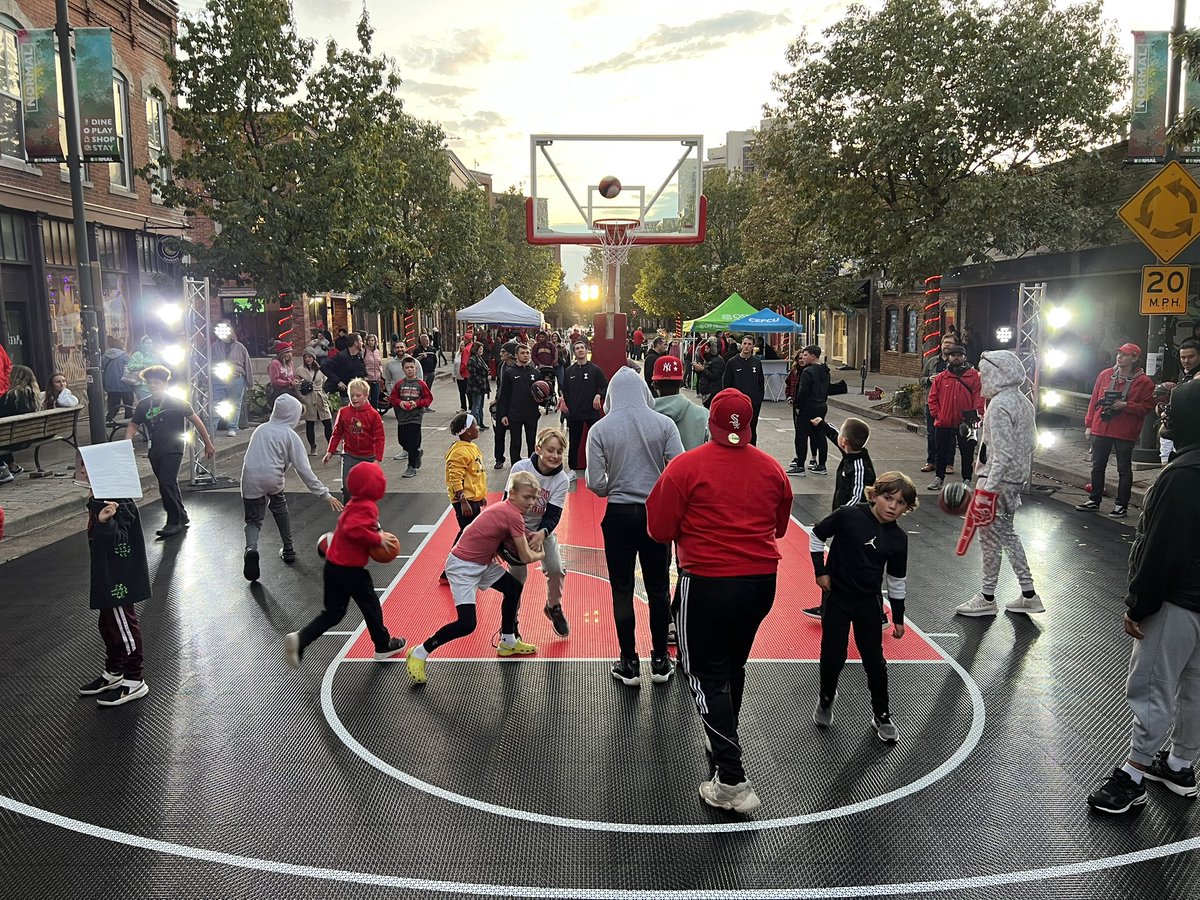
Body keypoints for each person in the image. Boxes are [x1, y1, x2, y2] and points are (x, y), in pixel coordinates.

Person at [646, 388, 792, 813]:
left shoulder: (684, 468)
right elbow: (780, 528)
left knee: (701, 672)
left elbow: (658, 529)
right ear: (750, 424)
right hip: (760, 580)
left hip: (707, 580)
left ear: (710, 420)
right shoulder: (772, 470)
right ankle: (722, 742)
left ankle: (731, 776)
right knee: (731, 667)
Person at [1086, 378, 1200, 814]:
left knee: (1152, 683)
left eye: (1174, 407)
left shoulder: (1185, 475)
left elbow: (1163, 550)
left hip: (1177, 600)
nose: (1164, 413)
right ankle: (1180, 763)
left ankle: (1133, 775)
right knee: (1194, 686)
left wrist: (1140, 603)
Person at [586, 367, 684, 686]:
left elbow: (594, 482)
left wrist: (614, 486)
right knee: (658, 589)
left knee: (622, 589)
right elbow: (679, 470)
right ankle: (660, 659)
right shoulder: (664, 424)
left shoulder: (601, 429)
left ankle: (628, 661)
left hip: (618, 514)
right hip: (653, 514)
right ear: (644, 391)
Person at [406, 470, 546, 684]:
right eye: (527, 497)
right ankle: (419, 652)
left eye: (535, 497)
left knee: (513, 587)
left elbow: (475, 529)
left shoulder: (505, 509)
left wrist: (492, 549)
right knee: (466, 624)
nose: (532, 502)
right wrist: (541, 553)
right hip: (463, 567)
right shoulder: (513, 515)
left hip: (480, 563)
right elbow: (525, 557)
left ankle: (508, 640)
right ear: (513, 493)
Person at [808, 472, 915, 743]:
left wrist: (899, 617)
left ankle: (882, 714)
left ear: (907, 507)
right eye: (887, 498)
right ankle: (826, 699)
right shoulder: (848, 515)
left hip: (869, 603)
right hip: (838, 599)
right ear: (874, 495)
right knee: (833, 655)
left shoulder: (899, 538)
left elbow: (896, 580)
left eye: (900, 503)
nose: (892, 506)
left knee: (875, 662)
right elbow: (817, 535)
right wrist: (820, 571)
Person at [285, 462, 406, 668]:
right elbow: (353, 529)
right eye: (380, 479)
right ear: (372, 486)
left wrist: (375, 530)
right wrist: (377, 540)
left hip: (333, 568)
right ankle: (383, 645)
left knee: (333, 613)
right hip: (350, 571)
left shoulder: (354, 503)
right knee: (371, 606)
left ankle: (301, 639)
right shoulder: (367, 506)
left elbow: (353, 526)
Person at [954, 350, 1044, 617]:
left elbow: (1001, 454)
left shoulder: (999, 405)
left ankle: (988, 596)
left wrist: (986, 490)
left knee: (993, 540)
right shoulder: (1023, 401)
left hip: (996, 482)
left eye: (985, 372)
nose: (982, 378)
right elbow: (1032, 444)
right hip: (1013, 480)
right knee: (1005, 535)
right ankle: (1026, 594)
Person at [240, 394, 343, 581]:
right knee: (279, 507)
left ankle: (251, 548)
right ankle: (288, 549)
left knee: (253, 520)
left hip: (250, 477)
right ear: (293, 415)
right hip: (273, 478)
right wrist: (325, 494)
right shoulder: (289, 435)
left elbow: (251, 456)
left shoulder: (261, 430)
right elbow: (304, 470)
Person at [802, 416, 878, 620]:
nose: (839, 440)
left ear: (846, 442)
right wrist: (823, 425)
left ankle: (878, 614)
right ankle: (827, 607)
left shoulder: (861, 466)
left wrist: (839, 517)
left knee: (863, 569)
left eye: (842, 437)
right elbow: (837, 436)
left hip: (855, 526)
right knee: (834, 565)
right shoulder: (850, 452)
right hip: (844, 524)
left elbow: (858, 497)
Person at [126, 366, 216, 539]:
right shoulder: (144, 404)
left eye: (156, 382)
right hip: (154, 450)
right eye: (150, 382)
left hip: (173, 449)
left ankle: (173, 521)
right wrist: (127, 441)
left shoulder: (177, 402)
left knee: (166, 483)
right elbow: (133, 424)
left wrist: (208, 443)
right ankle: (181, 514)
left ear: (165, 383)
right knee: (168, 483)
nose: (153, 385)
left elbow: (196, 421)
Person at [78, 498, 152, 706]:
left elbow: (120, 539)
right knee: (108, 624)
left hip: (118, 579)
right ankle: (115, 671)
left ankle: (134, 679)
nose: (81, 470)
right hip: (106, 574)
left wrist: (105, 522)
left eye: (84, 465)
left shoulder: (119, 500)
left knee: (124, 626)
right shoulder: (100, 498)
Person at [1076, 342, 1155, 518]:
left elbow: (1147, 408)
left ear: (1134, 358)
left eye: (1125, 355)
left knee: (1123, 469)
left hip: (1125, 431)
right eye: (1119, 353)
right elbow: (1094, 400)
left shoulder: (1144, 382)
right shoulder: (1105, 375)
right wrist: (1089, 424)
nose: (1119, 357)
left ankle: (1121, 505)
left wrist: (1125, 405)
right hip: (1101, 427)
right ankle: (1094, 499)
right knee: (1097, 466)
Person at [509, 427, 571, 637]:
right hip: (516, 528)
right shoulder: (521, 468)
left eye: (559, 452)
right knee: (516, 578)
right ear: (538, 448)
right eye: (550, 450)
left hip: (542, 530)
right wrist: (512, 535)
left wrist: (541, 534)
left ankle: (553, 606)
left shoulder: (561, 479)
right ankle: (511, 623)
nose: (555, 456)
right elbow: (507, 505)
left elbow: (553, 514)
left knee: (556, 569)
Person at [925, 345, 983, 491]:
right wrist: (938, 414)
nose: (955, 357)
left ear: (964, 357)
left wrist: (977, 416)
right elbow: (932, 398)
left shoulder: (974, 376)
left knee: (967, 452)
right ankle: (939, 478)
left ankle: (967, 479)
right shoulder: (940, 378)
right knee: (941, 452)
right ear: (949, 358)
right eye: (953, 355)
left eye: (959, 355)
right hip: (944, 421)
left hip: (966, 422)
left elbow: (979, 398)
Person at [441, 413, 488, 586]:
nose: (478, 429)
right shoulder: (459, 451)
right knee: (468, 536)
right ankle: (450, 571)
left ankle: (457, 570)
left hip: (472, 499)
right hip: (465, 502)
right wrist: (463, 501)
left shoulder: (471, 447)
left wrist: (480, 497)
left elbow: (476, 474)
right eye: (475, 426)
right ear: (467, 431)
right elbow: (455, 477)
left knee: (468, 535)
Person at [324, 377, 386, 504]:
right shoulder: (344, 412)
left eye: (358, 395)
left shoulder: (373, 414)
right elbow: (337, 433)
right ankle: (349, 512)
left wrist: (377, 459)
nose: (354, 399)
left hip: (368, 456)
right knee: (347, 486)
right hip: (350, 455)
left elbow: (379, 437)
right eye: (352, 396)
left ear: (366, 396)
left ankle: (370, 516)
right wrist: (330, 451)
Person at [560, 340, 608, 476]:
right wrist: (567, 405)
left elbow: (605, 385)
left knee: (597, 442)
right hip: (575, 414)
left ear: (587, 351)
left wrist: (599, 395)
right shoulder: (569, 371)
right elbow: (566, 390)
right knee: (574, 442)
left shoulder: (595, 369)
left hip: (592, 413)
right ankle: (572, 470)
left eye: (582, 348)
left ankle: (600, 469)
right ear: (574, 352)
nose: (580, 350)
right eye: (577, 348)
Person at [497, 343, 540, 467]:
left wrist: (545, 398)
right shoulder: (509, 373)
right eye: (522, 353)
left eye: (527, 353)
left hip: (531, 414)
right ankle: (515, 467)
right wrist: (503, 414)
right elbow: (504, 396)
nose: (525, 355)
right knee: (515, 443)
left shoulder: (536, 372)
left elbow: (541, 395)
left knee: (532, 442)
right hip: (514, 414)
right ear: (516, 355)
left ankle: (533, 467)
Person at [789, 345, 830, 476]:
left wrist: (798, 407)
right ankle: (822, 464)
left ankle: (800, 465)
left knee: (801, 436)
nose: (803, 358)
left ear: (813, 356)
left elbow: (803, 391)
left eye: (806, 355)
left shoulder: (808, 371)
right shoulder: (825, 370)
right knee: (820, 435)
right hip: (821, 405)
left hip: (808, 407)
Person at [652, 354, 708, 451]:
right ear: (681, 383)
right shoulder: (703, 414)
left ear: (654, 385)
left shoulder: (644, 417)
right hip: (692, 465)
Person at [389, 356, 433, 478]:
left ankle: (412, 466)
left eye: (412, 367)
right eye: (407, 368)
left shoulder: (421, 384)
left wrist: (417, 403)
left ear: (416, 368)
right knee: (402, 440)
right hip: (402, 417)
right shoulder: (399, 384)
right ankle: (416, 453)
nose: (410, 370)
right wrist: (400, 403)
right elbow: (393, 398)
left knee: (413, 442)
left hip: (415, 417)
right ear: (403, 369)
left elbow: (428, 398)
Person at [919, 336, 957, 473]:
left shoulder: (956, 363)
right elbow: (920, 379)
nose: (948, 345)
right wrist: (928, 379)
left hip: (949, 404)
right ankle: (931, 462)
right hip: (932, 403)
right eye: (946, 342)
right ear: (941, 345)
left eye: (951, 343)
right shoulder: (932, 362)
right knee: (932, 434)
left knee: (950, 434)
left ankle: (948, 463)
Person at [720, 336, 765, 446]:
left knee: (752, 428)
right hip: (737, 404)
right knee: (737, 428)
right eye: (745, 343)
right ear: (741, 345)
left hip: (753, 404)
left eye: (749, 344)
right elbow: (726, 383)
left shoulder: (757, 363)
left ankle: (752, 451)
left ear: (753, 346)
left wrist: (758, 399)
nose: (746, 346)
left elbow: (760, 383)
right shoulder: (732, 362)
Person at [0, 364, 41, 483]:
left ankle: (3, 470)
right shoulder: (33, 394)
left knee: (3, 436)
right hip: (27, 436)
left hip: (13, 438)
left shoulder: (12, 396)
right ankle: (12, 466)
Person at [211, 321, 253, 435]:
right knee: (215, 402)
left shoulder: (240, 347)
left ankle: (233, 427)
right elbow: (208, 362)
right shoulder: (214, 346)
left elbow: (247, 364)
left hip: (236, 378)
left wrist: (250, 382)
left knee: (234, 403)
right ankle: (212, 427)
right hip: (218, 379)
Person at [298, 350, 332, 455]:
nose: (307, 359)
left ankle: (331, 446)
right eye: (306, 357)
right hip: (308, 398)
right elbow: (297, 385)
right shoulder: (300, 370)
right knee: (310, 423)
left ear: (314, 358)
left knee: (327, 422)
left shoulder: (321, 370)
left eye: (310, 357)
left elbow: (325, 381)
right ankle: (313, 447)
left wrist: (325, 394)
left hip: (320, 397)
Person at [321, 332, 367, 400]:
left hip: (356, 393)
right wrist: (338, 381)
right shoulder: (342, 356)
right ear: (356, 343)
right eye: (361, 341)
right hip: (343, 394)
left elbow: (362, 372)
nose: (362, 343)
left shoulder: (358, 356)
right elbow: (324, 367)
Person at [101, 335, 133, 422]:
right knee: (128, 405)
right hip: (125, 384)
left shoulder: (105, 356)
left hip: (111, 385)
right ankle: (129, 424)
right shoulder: (124, 356)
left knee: (113, 405)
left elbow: (102, 368)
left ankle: (108, 421)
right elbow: (130, 368)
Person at [126, 336, 160, 403]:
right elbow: (130, 366)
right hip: (141, 385)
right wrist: (143, 366)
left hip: (154, 383)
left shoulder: (154, 355)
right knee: (145, 404)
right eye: (147, 343)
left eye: (151, 343)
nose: (150, 345)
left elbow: (159, 365)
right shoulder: (137, 355)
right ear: (142, 344)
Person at [693, 338, 725, 407]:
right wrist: (698, 370)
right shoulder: (708, 359)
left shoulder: (718, 360)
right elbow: (704, 375)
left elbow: (715, 376)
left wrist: (703, 369)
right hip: (707, 391)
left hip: (712, 391)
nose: (705, 350)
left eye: (707, 348)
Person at [466, 342, 491, 429]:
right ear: (475, 349)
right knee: (476, 406)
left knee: (480, 406)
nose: (481, 351)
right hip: (476, 387)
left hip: (481, 386)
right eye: (480, 349)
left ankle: (480, 423)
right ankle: (475, 424)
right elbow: (473, 374)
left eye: (482, 349)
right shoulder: (472, 360)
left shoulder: (479, 358)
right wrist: (480, 382)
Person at [415, 333, 438, 406]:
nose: (427, 342)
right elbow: (414, 361)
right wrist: (421, 357)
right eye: (425, 341)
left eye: (428, 340)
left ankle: (426, 405)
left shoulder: (432, 349)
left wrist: (433, 368)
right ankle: (421, 404)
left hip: (431, 372)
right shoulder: (417, 350)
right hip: (423, 373)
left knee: (428, 390)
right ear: (421, 342)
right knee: (421, 390)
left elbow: (435, 359)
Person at [362, 334, 384, 408]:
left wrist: (381, 373)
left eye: (372, 340)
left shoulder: (377, 352)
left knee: (375, 400)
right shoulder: (364, 351)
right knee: (367, 400)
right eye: (369, 340)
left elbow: (380, 364)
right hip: (367, 379)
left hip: (376, 379)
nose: (371, 342)